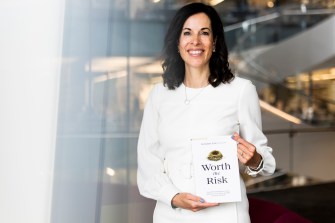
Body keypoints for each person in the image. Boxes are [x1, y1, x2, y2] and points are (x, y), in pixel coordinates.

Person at [137, 3, 276, 223]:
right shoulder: (159, 95)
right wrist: (174, 197)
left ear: (215, 42)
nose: (195, 41)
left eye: (204, 33)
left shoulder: (240, 91)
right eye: (187, 33)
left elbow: (264, 162)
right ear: (177, 42)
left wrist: (254, 158)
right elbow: (147, 163)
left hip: (225, 216)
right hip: (171, 215)